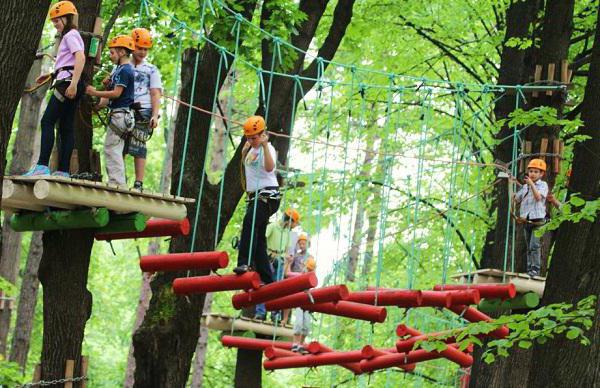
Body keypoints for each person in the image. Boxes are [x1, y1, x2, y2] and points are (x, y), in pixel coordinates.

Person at [24, 1, 85, 177]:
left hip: (67, 84)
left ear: (67, 18)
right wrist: (51, 75)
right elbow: (69, 63)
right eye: (53, 22)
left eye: (57, 20)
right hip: (67, 81)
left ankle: (42, 166)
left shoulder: (70, 35)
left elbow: (80, 58)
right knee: (66, 127)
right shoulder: (71, 35)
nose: (55, 24)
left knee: (47, 121)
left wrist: (72, 84)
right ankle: (63, 171)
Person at [232, 116, 281, 319]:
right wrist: (246, 149)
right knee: (259, 242)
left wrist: (265, 144)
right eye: (249, 137)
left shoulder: (267, 149)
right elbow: (246, 169)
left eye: (255, 137)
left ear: (262, 134)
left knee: (249, 223)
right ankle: (271, 288)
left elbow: (270, 168)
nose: (252, 140)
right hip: (255, 197)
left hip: (268, 196)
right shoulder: (250, 150)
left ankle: (244, 262)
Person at [86, 35, 136, 187]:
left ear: (122, 52)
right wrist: (97, 105)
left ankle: (117, 184)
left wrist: (95, 92)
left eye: (113, 52)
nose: (110, 55)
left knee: (111, 149)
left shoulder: (125, 71)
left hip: (120, 114)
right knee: (115, 149)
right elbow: (111, 93)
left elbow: (116, 94)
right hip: (122, 115)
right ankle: (118, 183)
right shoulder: (119, 70)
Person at [128, 27, 162, 191]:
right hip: (124, 109)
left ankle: (138, 182)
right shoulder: (123, 65)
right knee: (119, 143)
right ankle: (118, 178)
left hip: (143, 111)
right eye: (139, 48)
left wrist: (155, 115)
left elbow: (155, 93)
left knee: (139, 144)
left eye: (145, 49)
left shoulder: (151, 69)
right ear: (132, 46)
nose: (142, 52)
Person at [262, 208, 300, 321]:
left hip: (280, 260)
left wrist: (288, 257)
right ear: (289, 221)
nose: (293, 226)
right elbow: (262, 239)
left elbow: (287, 249)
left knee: (277, 288)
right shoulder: (272, 227)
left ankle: (275, 314)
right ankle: (261, 312)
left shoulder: (287, 232)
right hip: (268, 258)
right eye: (293, 224)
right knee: (264, 286)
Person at [514, 158, 549, 277]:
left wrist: (531, 184)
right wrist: (512, 184)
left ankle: (535, 270)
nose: (532, 174)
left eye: (535, 172)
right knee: (529, 247)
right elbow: (516, 198)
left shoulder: (543, 185)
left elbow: (538, 197)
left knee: (535, 246)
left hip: (538, 221)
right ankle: (530, 270)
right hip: (526, 221)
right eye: (531, 171)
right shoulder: (525, 187)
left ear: (541, 174)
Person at [284, 233, 316, 353]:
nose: (302, 245)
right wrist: (288, 261)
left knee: (306, 324)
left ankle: (301, 344)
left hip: (307, 293)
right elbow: (287, 272)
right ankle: (295, 343)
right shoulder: (296, 257)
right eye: (301, 243)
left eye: (304, 243)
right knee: (298, 322)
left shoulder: (311, 258)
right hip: (297, 290)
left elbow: (313, 274)